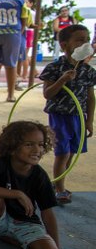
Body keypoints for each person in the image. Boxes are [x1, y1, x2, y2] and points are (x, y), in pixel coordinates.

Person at [0, 121, 83, 249]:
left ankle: (13, 239)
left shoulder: (40, 175)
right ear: (12, 147)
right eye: (29, 144)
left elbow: (47, 213)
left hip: (25, 223)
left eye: (40, 145)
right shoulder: (1, 163)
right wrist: (18, 194)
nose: (37, 150)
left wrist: (57, 248)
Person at [38, 24, 96, 204]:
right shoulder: (54, 68)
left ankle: (59, 183)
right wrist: (63, 79)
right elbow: (47, 94)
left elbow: (90, 97)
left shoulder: (87, 71)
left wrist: (89, 120)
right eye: (79, 40)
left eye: (86, 40)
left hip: (78, 116)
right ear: (64, 45)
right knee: (62, 152)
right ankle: (60, 189)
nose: (84, 43)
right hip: (59, 116)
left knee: (72, 152)